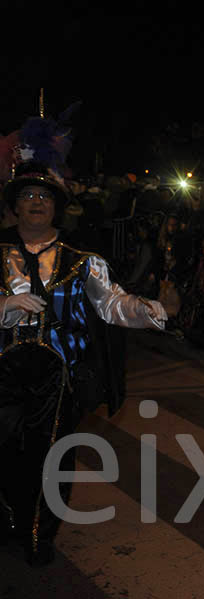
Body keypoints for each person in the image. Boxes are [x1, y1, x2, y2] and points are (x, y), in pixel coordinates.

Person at [0, 159, 166, 566]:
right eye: (27, 196)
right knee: (4, 448)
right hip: (2, 369)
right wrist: (4, 304)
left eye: (43, 196)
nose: (36, 202)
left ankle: (39, 532)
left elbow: (110, 302)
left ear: (56, 207)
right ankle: (9, 518)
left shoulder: (81, 259)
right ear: (15, 207)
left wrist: (146, 310)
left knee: (50, 454)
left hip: (57, 375)